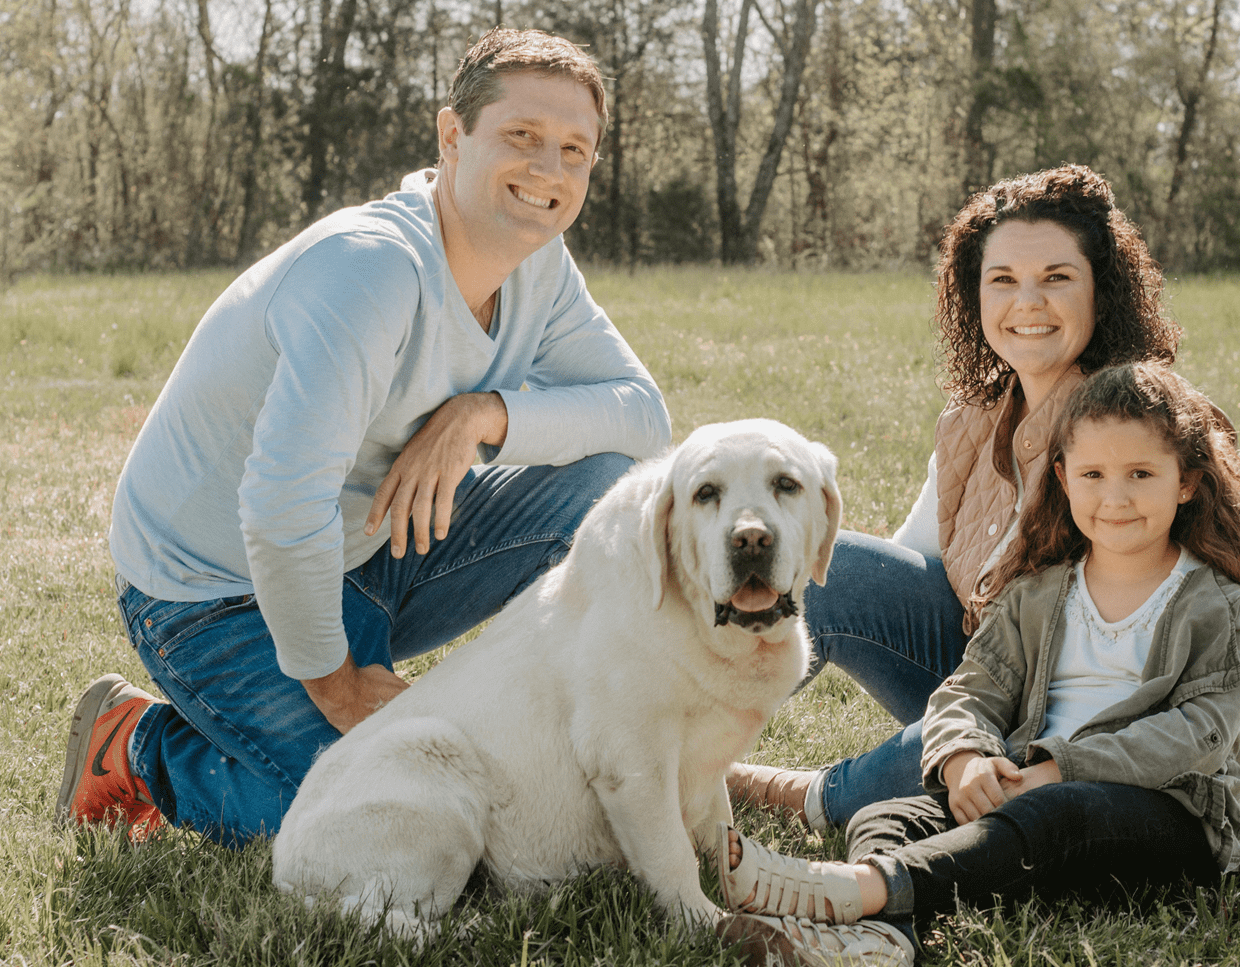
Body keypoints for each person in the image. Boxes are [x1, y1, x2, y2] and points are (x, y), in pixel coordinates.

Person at [55, 27, 672, 846]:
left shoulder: (540, 265)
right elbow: (279, 508)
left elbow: (642, 418)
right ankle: (138, 743)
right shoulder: (370, 269)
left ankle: (563, 719)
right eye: (521, 137)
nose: (548, 170)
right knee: (370, 823)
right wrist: (337, 687)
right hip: (212, 592)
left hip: (371, 541)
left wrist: (483, 414)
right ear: (452, 136)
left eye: (574, 150)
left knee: (608, 484)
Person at [714, 361, 1240, 966]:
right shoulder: (1040, 593)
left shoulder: (1215, 602)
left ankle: (850, 888)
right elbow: (970, 688)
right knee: (888, 812)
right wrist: (964, 758)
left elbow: (1197, 733)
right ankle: (881, 942)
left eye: (1140, 474)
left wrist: (1058, 768)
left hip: (1162, 819)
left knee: (1058, 811)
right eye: (1093, 474)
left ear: (1187, 482)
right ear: (1063, 480)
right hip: (1027, 786)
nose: (1114, 498)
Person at [729, 164, 1181, 830]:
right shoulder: (971, 420)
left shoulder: (1133, 427)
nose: (1028, 302)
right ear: (974, 295)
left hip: (1073, 716)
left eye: (1057, 278)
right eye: (1003, 280)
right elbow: (913, 562)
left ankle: (808, 793)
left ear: (1101, 293)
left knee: (966, 752)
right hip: (974, 676)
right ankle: (684, 731)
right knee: (824, 570)